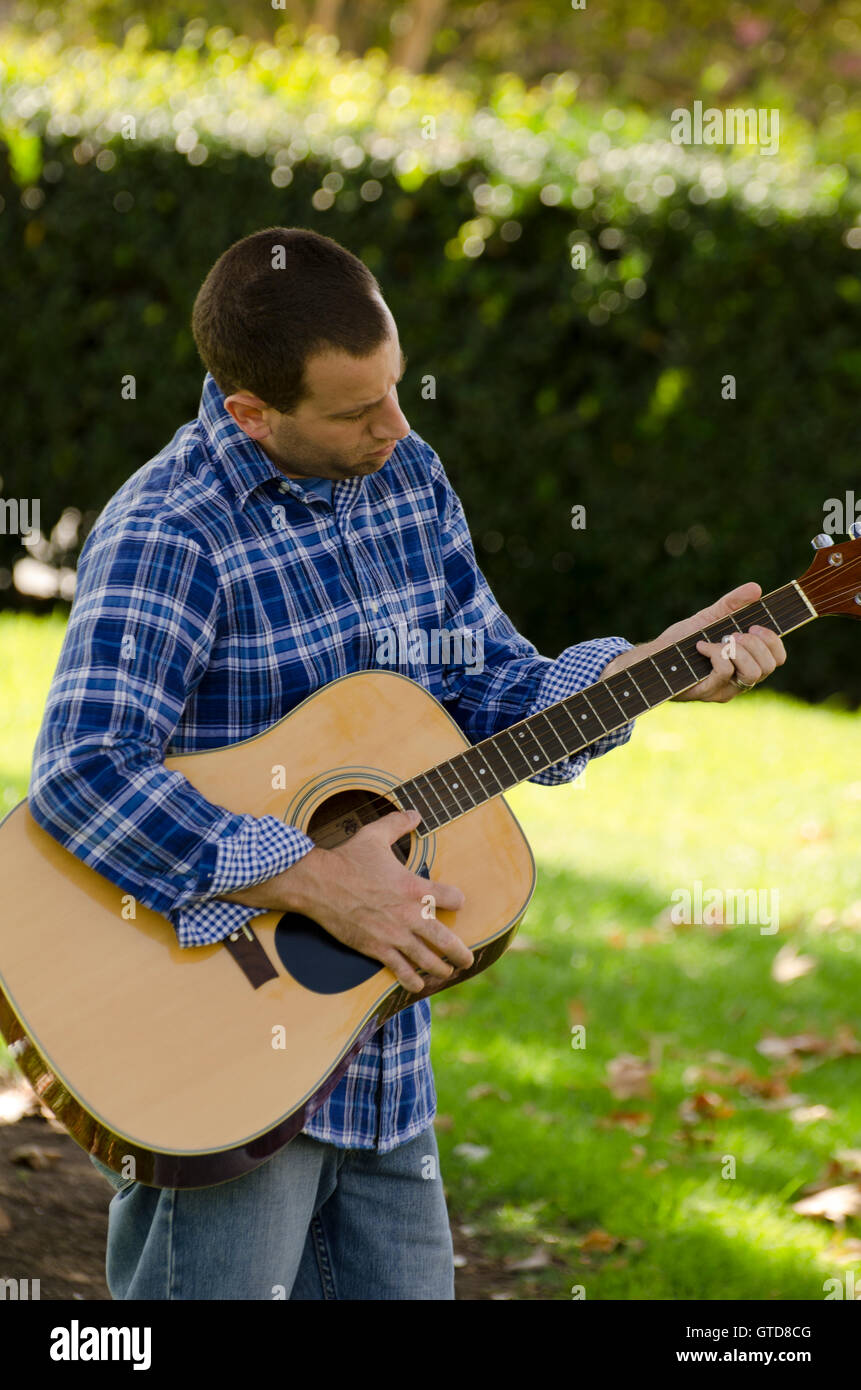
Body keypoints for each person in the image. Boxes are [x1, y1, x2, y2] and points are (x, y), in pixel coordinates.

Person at [27, 226, 786, 1300]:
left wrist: (648, 669)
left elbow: (489, 692)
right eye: (355, 411)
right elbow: (82, 773)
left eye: (394, 389)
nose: (396, 426)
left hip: (382, 1066)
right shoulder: (170, 531)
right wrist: (307, 872)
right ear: (252, 412)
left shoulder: (408, 477)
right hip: (220, 1061)